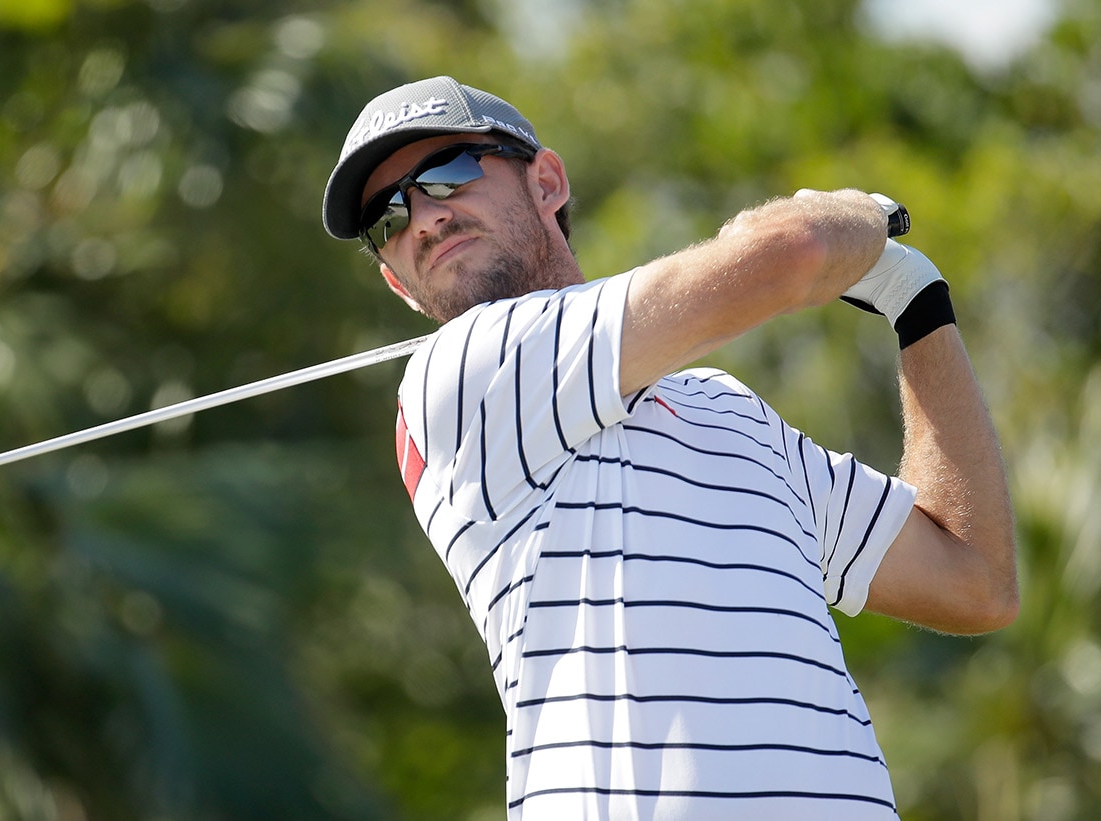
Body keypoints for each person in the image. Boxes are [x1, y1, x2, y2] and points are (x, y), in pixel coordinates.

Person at [321, 76, 1017, 820]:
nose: (425, 217)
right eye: (389, 217)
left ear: (546, 182)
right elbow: (797, 248)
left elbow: (974, 581)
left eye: (449, 172)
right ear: (396, 280)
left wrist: (917, 302)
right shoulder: (460, 374)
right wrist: (864, 215)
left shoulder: (725, 407)